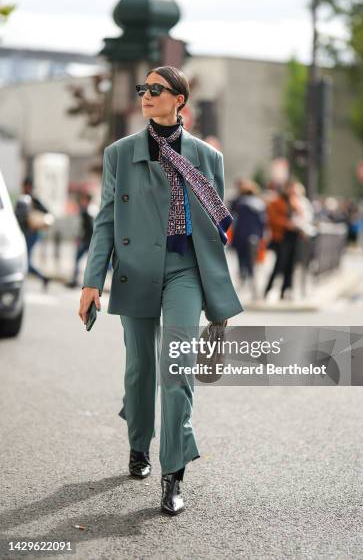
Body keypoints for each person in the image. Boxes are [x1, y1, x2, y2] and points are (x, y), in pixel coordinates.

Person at [78, 65, 243, 516]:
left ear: (179, 101)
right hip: (135, 267)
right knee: (139, 370)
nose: (146, 95)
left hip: (184, 268)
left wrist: (218, 293)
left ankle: (173, 473)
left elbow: (213, 230)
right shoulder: (120, 153)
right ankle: (138, 445)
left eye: (156, 89)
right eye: (143, 89)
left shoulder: (208, 159)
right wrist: (93, 282)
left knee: (177, 368)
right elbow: (106, 221)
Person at [263, 179, 304, 300]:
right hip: (282, 237)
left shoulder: (294, 201)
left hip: (294, 236)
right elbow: (272, 218)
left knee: (291, 265)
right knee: (279, 265)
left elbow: (300, 215)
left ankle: (285, 290)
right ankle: (268, 289)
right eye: (290, 188)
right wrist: (287, 223)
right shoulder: (276, 202)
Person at [229, 178, 266, 299]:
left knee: (242, 260)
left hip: (241, 235)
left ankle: (244, 279)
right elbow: (262, 222)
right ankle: (253, 286)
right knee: (252, 263)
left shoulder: (239, 202)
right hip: (253, 236)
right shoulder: (259, 203)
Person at [14, 177, 51, 290]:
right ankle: (41, 278)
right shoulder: (22, 198)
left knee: (25, 260)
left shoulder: (33, 200)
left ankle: (42, 278)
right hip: (23, 234)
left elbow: (46, 212)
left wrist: (33, 213)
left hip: (31, 234)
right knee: (23, 260)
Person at [66, 192, 94, 288]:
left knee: (78, 259)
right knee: (86, 260)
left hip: (85, 240)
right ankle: (75, 280)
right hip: (89, 240)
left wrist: (79, 239)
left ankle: (74, 281)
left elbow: (81, 227)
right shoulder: (90, 210)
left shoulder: (85, 211)